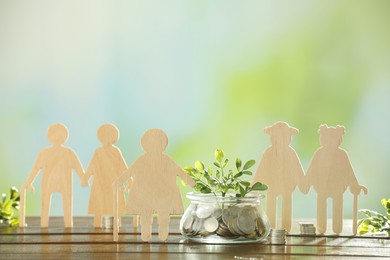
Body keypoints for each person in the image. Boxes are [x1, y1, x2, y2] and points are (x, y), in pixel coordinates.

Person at [113, 128, 195, 241]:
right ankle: (146, 235)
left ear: (164, 145)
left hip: (164, 194)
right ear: (145, 145)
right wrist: (119, 181)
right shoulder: (141, 160)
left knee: (164, 218)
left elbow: (179, 171)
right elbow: (129, 172)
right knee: (145, 216)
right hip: (145, 194)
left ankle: (163, 234)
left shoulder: (167, 160)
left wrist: (190, 181)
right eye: (151, 144)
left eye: (158, 143)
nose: (155, 147)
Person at [21, 123, 87, 227]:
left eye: (61, 136)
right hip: (48, 182)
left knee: (67, 203)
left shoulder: (69, 153)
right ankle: (44, 224)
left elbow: (78, 167)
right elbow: (36, 168)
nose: (58, 138)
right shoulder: (45, 153)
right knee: (45, 203)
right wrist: (29, 182)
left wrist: (83, 178)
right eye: (55, 135)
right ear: (50, 137)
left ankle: (68, 224)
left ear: (65, 137)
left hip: (65, 182)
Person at [85, 124, 128, 227]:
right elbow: (92, 165)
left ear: (114, 137)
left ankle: (116, 224)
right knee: (98, 203)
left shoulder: (116, 151)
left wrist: (129, 180)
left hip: (114, 181)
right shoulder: (98, 151)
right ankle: (97, 223)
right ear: (101, 137)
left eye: (110, 136)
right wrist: (85, 178)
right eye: (105, 136)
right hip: (100, 182)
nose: (107, 139)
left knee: (115, 204)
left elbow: (123, 166)